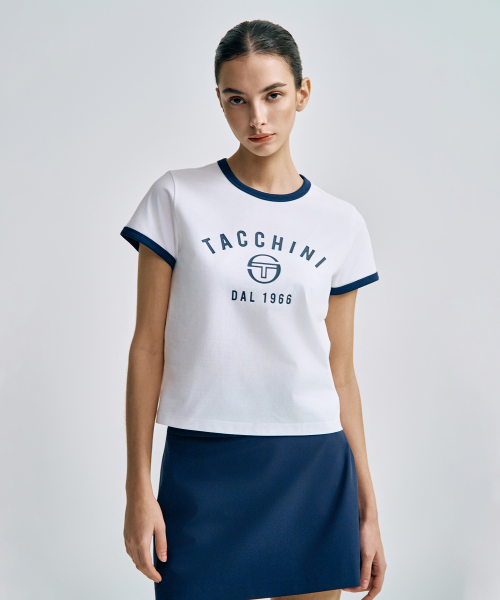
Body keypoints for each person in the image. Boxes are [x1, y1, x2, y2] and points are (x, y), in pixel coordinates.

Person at [120, 19, 387, 600]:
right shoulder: (176, 197)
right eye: (237, 100)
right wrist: (138, 488)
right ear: (219, 100)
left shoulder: (341, 223)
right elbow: (147, 346)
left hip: (312, 464)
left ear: (303, 93)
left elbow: (341, 371)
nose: (257, 118)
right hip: (204, 461)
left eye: (273, 95)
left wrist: (368, 508)